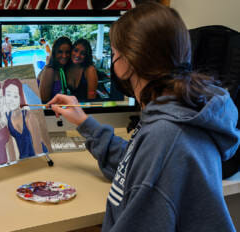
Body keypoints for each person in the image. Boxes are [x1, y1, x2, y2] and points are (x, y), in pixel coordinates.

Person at [48, 2, 239, 231]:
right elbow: (134, 167)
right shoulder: (180, 114)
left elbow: (152, 168)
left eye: (115, 53)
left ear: (127, 63)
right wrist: (84, 122)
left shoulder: (166, 137)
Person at [3, 79, 48, 159]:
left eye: (15, 96)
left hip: (39, 158)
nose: (11, 100)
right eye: (8, 95)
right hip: (23, 159)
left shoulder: (28, 116)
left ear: (20, 97)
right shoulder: (7, 117)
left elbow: (38, 149)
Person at [38, 36, 72, 103]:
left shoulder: (62, 68)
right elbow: (44, 103)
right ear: (54, 53)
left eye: (67, 52)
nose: (64, 56)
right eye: (60, 52)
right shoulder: (49, 70)